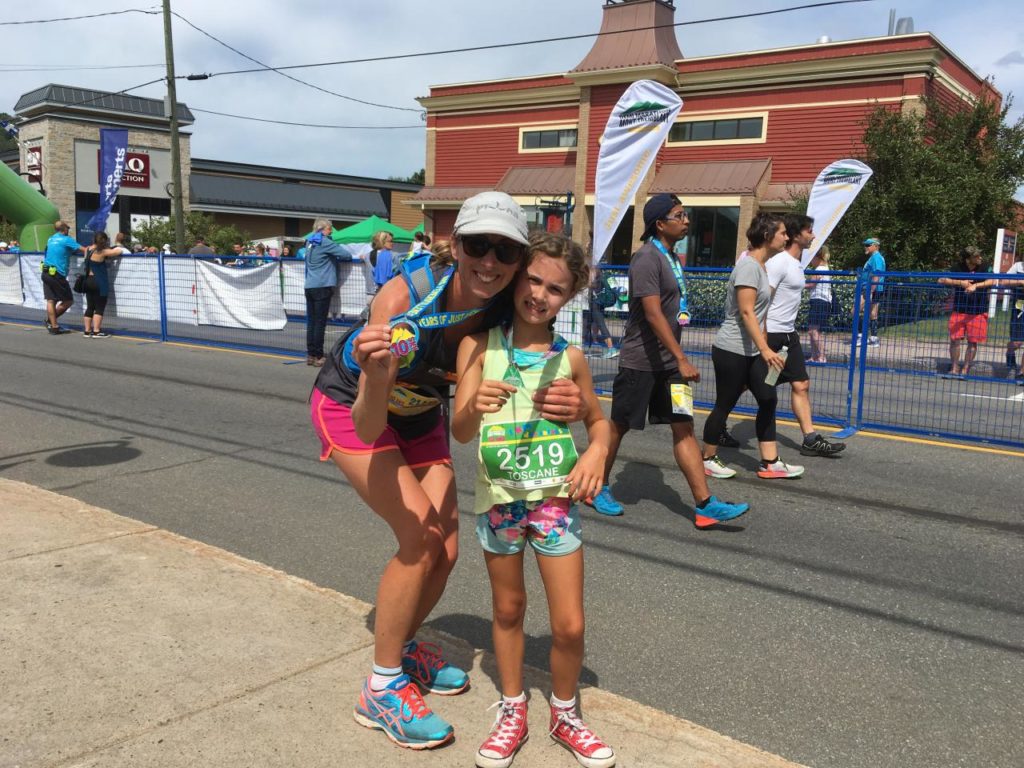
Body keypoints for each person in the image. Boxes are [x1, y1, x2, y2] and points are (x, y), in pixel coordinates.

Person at [309, 191, 585, 750]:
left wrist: (578, 406)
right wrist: (381, 374)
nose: (490, 261)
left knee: (449, 546)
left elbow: (540, 357)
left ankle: (404, 646)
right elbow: (366, 426)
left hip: (418, 416)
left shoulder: (504, 302)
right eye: (478, 245)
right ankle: (381, 690)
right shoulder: (402, 297)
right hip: (353, 406)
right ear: (454, 245)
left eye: (505, 251)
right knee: (418, 537)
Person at [452, 232, 615, 768]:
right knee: (508, 609)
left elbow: (600, 422)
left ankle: (566, 714)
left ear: (568, 299)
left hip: (553, 504)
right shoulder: (478, 346)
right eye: (535, 279)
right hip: (499, 503)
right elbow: (459, 430)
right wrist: (474, 402)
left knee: (569, 625)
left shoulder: (570, 358)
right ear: (518, 275)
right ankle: (512, 708)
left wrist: (595, 455)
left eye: (556, 289)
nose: (540, 294)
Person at [587, 193, 749, 528]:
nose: (686, 220)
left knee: (684, 427)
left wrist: (676, 361)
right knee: (618, 427)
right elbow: (652, 313)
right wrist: (682, 357)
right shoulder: (647, 258)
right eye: (679, 215)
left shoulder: (672, 257)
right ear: (660, 224)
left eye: (686, 214)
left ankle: (705, 505)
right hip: (640, 362)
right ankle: (596, 487)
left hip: (669, 368)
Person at [701, 212, 805, 480]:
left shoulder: (762, 267)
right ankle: (707, 459)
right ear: (768, 236)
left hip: (752, 350)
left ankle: (770, 463)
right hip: (732, 348)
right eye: (782, 233)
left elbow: (760, 315)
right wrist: (766, 349)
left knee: (768, 398)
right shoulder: (748, 266)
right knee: (725, 403)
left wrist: (766, 345)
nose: (786, 237)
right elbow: (747, 313)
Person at [764, 215, 845, 457]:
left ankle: (810, 438)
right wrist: (763, 337)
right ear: (796, 234)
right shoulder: (778, 262)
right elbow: (762, 299)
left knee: (801, 384)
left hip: (789, 335)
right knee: (754, 385)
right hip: (772, 334)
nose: (813, 235)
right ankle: (719, 425)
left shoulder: (797, 263)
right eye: (809, 231)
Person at [938, 246, 996, 378]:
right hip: (959, 309)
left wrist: (976, 285)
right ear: (968, 259)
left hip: (978, 310)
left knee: (973, 341)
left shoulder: (985, 266)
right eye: (976, 256)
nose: (980, 258)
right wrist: (961, 283)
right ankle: (954, 368)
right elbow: (941, 279)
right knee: (955, 340)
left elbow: (992, 280)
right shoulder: (957, 267)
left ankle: (965, 369)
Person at [304, 218, 352, 367]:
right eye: (329, 229)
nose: (331, 231)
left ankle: (311, 354)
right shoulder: (324, 242)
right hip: (323, 285)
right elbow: (346, 255)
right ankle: (319, 356)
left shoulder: (309, 242)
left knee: (311, 322)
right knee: (320, 322)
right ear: (323, 229)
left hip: (310, 285)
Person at [41, 220, 86, 335]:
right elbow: (84, 250)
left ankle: (54, 326)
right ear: (64, 229)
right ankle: (51, 321)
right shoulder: (66, 240)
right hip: (57, 274)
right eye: (68, 228)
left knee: (51, 300)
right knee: (68, 301)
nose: (68, 230)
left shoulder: (50, 239)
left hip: (46, 271)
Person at [81, 232, 124, 338]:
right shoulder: (103, 252)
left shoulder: (87, 250)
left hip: (88, 280)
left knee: (90, 306)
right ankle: (96, 331)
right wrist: (116, 245)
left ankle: (87, 331)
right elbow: (119, 251)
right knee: (99, 307)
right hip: (99, 281)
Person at [583, 263, 618, 359]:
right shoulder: (600, 273)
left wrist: (586, 284)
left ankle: (611, 348)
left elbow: (591, 284)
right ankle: (581, 346)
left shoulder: (593, 271)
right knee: (588, 323)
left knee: (600, 325)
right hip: (600, 302)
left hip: (595, 303)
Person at [806, 245, 833, 363]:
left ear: (817, 257)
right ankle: (814, 356)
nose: (811, 260)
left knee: (813, 330)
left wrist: (798, 284)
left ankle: (821, 356)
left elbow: (811, 284)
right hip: (821, 301)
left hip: (819, 300)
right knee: (812, 330)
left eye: (812, 258)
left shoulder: (819, 269)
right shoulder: (825, 268)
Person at [859, 237, 886, 346]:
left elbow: (877, 274)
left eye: (868, 245)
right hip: (874, 288)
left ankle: (860, 337)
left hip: (871, 288)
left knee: (856, 311)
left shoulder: (876, 258)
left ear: (875, 246)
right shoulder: (875, 257)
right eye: (865, 245)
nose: (866, 247)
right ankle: (873, 339)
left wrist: (871, 290)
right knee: (872, 313)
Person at [1003, 254, 1024, 383]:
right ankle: (1009, 353)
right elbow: (1004, 281)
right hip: (1019, 306)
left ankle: (1022, 372)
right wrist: (1020, 282)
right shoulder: (1018, 266)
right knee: (1017, 342)